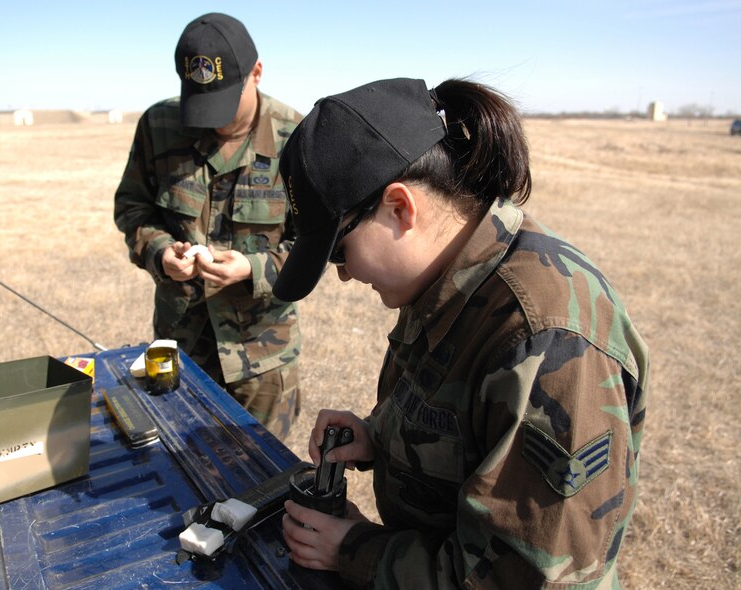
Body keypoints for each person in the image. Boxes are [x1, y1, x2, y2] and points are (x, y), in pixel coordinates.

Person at [274, 78, 649, 588]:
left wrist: (354, 550)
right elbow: (458, 421)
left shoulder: (547, 339)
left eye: (339, 250)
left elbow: (523, 577)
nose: (342, 274)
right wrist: (377, 438)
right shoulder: (440, 278)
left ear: (400, 209)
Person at [114, 13, 302, 438]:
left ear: (256, 72)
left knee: (261, 484)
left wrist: (252, 269)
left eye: (224, 102)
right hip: (182, 345)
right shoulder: (160, 127)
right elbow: (132, 208)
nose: (213, 121)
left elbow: (318, 246)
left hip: (261, 355)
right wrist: (161, 252)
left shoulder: (297, 138)